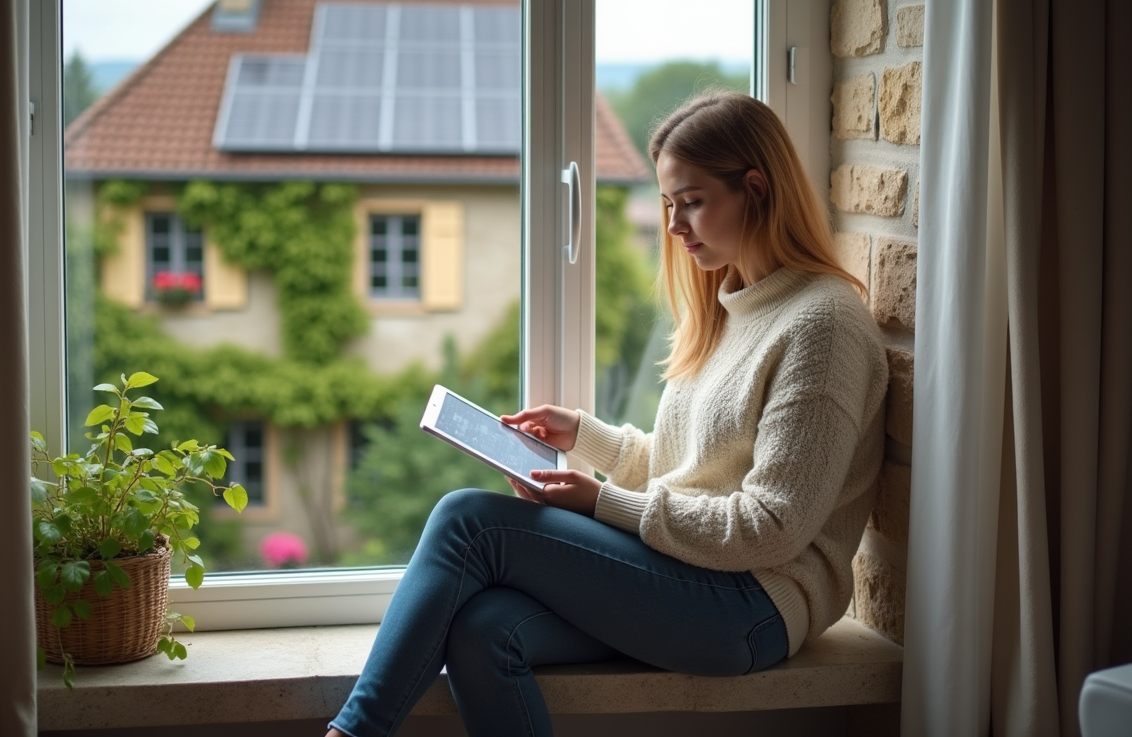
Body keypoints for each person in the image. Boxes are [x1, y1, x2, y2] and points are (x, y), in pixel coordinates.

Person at [325, 91, 888, 737]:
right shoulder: (729, 299)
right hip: (690, 575)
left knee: (470, 522)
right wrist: (584, 437)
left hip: (753, 604)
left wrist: (601, 504)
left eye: (693, 202)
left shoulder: (824, 324)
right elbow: (688, 469)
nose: (674, 227)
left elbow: (773, 527)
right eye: (669, 204)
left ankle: (351, 734)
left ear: (755, 188)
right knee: (485, 631)